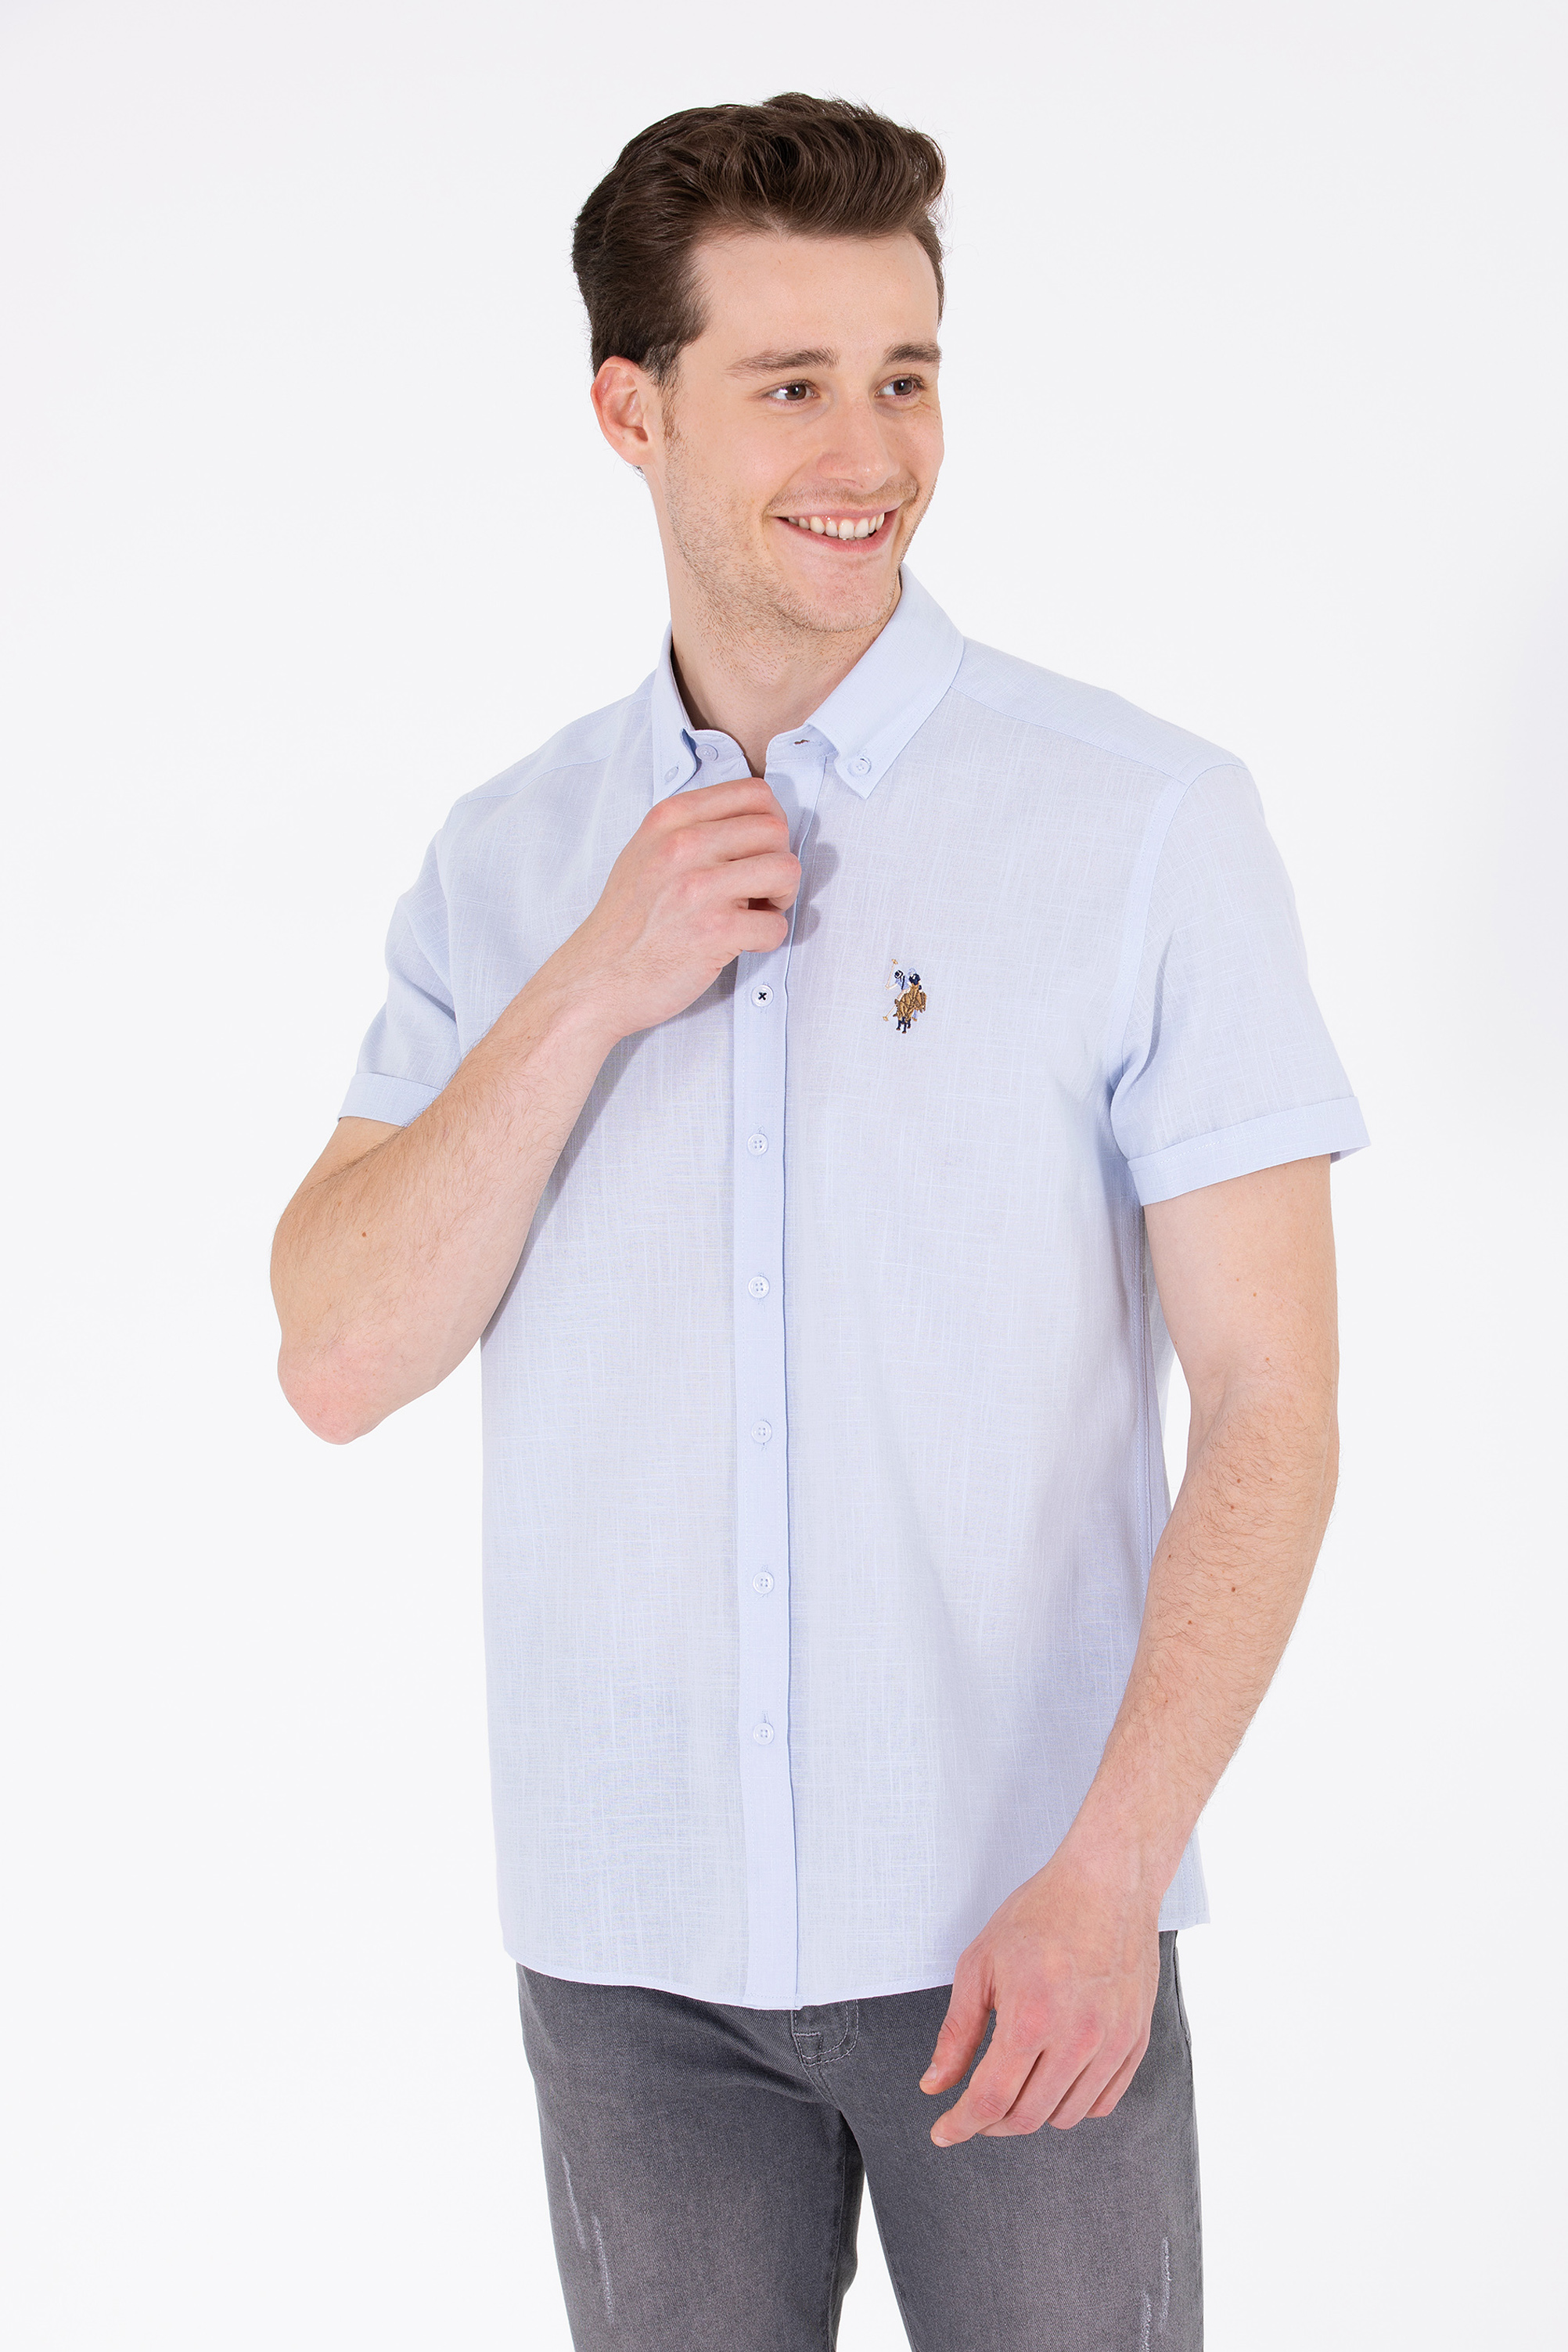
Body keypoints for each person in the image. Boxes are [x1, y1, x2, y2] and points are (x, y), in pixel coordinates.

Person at [271, 92, 1367, 2352]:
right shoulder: (509, 861)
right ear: (631, 410)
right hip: (630, 1960)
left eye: (905, 374)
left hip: (1021, 1935)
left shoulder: (1145, 826)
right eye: (789, 385)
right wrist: (594, 981)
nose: (869, 451)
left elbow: (1272, 1397)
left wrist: (1113, 1870)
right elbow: (339, 1355)